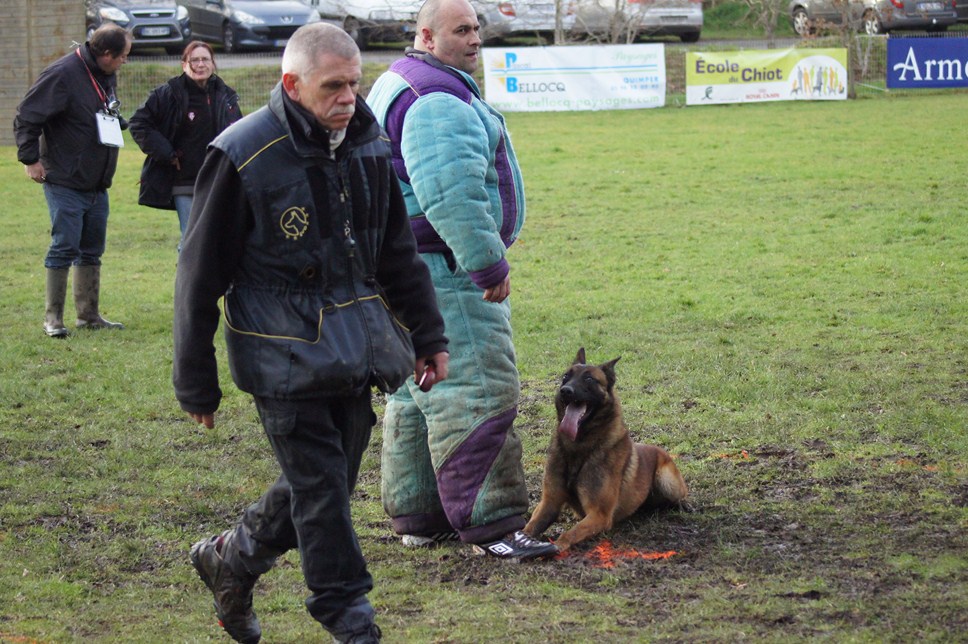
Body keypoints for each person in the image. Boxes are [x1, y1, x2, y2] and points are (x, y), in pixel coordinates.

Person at [173, 22, 449, 644]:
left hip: (355, 347)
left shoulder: (367, 143)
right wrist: (196, 384)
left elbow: (395, 253)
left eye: (354, 82)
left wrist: (429, 336)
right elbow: (197, 277)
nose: (349, 96)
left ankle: (231, 558)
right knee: (323, 496)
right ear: (292, 84)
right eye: (334, 85)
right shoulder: (241, 155)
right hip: (280, 355)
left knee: (320, 484)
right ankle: (350, 619)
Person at [365, 0, 558, 561]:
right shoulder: (435, 100)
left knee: (417, 390)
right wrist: (487, 263)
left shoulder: (402, 82)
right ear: (426, 36)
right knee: (479, 390)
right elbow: (451, 193)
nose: (475, 39)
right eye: (461, 30)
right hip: (446, 271)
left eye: (478, 28)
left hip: (404, 270)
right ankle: (492, 526)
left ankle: (420, 515)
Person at [14, 24, 131, 338]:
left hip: (96, 180)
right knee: (64, 246)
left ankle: (88, 315)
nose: (124, 62)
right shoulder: (62, 74)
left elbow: (97, 109)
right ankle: (53, 319)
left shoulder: (104, 73)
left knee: (92, 249)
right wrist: (30, 159)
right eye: (122, 56)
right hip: (64, 178)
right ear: (105, 54)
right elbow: (27, 115)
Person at [129, 41, 242, 251]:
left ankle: (215, 284)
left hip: (218, 179)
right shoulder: (168, 93)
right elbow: (138, 123)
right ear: (184, 65)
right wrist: (167, 153)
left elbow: (239, 132)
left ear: (213, 63)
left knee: (219, 239)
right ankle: (188, 284)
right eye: (194, 60)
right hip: (185, 181)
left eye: (205, 59)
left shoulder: (226, 95)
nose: (200, 65)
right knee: (192, 240)